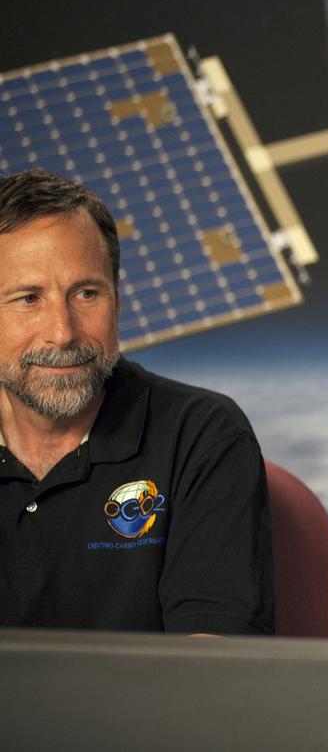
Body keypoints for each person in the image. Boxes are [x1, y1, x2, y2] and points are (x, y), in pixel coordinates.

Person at [0, 168, 274, 634]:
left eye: (87, 293)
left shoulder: (201, 434)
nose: (62, 332)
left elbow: (211, 674)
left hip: (148, 710)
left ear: (118, 301)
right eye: (28, 299)